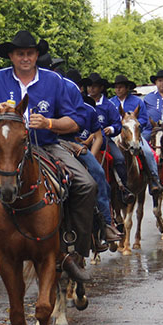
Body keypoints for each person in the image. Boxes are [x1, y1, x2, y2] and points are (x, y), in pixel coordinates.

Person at [0, 30, 96, 282]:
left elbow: (75, 122)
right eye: (20, 53)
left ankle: (74, 250)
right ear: (11, 56)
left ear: (36, 55)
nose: (25, 58)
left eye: (30, 53)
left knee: (87, 185)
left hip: (47, 147)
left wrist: (49, 123)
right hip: (3, 152)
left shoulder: (54, 81)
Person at [64, 70, 124, 244]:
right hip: (53, 144)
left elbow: (99, 136)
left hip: (87, 147)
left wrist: (90, 154)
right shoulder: (54, 102)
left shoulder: (92, 108)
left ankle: (106, 223)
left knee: (101, 175)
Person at [82, 71, 134, 204]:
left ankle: (124, 189)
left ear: (101, 88)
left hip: (104, 140)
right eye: (89, 86)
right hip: (82, 139)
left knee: (119, 159)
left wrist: (111, 129)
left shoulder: (109, 105)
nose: (91, 89)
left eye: (94, 86)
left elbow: (117, 123)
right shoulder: (81, 102)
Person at [108, 74, 162, 194]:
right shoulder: (110, 102)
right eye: (116, 87)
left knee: (147, 152)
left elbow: (144, 119)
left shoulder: (137, 101)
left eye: (121, 87)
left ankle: (153, 179)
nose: (118, 90)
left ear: (127, 88)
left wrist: (134, 125)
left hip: (134, 134)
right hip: (116, 134)